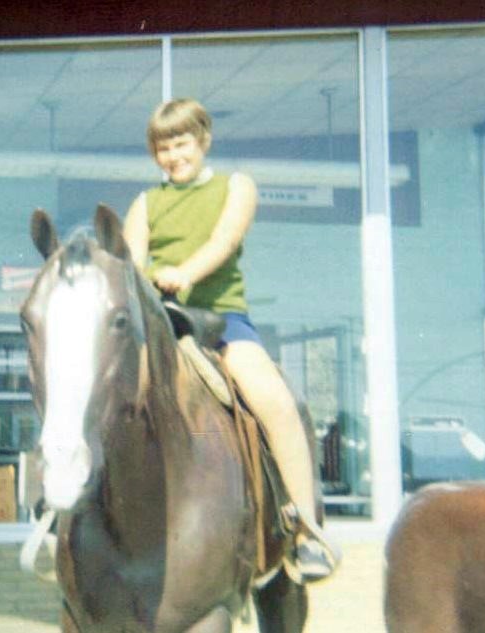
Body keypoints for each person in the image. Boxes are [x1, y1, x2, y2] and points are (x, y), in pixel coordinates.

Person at [123, 98, 340, 583]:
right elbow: (133, 262)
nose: (173, 156)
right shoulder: (144, 204)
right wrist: (145, 281)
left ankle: (305, 530)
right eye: (163, 148)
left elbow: (223, 242)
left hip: (221, 322)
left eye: (181, 144)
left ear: (203, 140)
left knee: (274, 400)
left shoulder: (236, 187)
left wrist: (183, 273)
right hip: (163, 323)